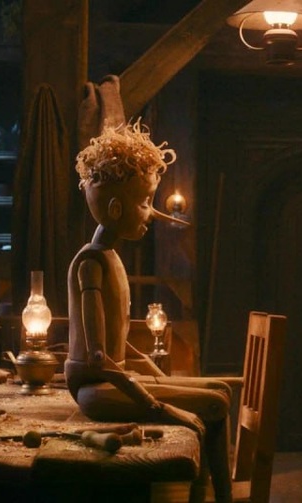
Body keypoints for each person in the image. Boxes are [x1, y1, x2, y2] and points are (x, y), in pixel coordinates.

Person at [66, 121, 233, 503]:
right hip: (94, 390)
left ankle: (211, 495)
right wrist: (160, 407)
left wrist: (156, 376)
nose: (152, 214)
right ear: (115, 208)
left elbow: (117, 342)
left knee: (220, 390)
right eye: (145, 202)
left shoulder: (109, 256)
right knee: (216, 403)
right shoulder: (91, 263)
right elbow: (97, 357)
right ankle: (215, 496)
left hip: (112, 379)